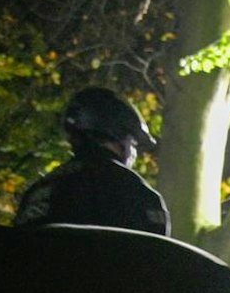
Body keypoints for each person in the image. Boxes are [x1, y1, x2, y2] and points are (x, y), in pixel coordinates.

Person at [12, 87, 168, 235]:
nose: (134, 153)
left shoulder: (39, 190)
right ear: (119, 137)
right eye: (133, 143)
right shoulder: (134, 192)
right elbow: (152, 255)